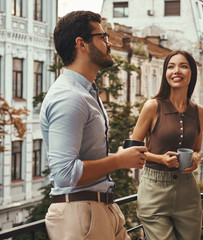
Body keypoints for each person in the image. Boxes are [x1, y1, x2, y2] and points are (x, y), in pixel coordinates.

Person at [40, 11, 147, 240]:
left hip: (101, 208)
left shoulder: (85, 92)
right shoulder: (69, 97)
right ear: (82, 44)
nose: (109, 43)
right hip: (80, 214)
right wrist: (119, 160)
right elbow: (64, 174)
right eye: (103, 37)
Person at [131, 50, 203, 240]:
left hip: (188, 191)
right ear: (165, 73)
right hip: (154, 189)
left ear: (192, 73)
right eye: (170, 67)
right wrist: (160, 159)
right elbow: (131, 148)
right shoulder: (152, 106)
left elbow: (197, 149)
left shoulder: (199, 112)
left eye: (183, 66)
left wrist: (196, 158)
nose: (176, 71)